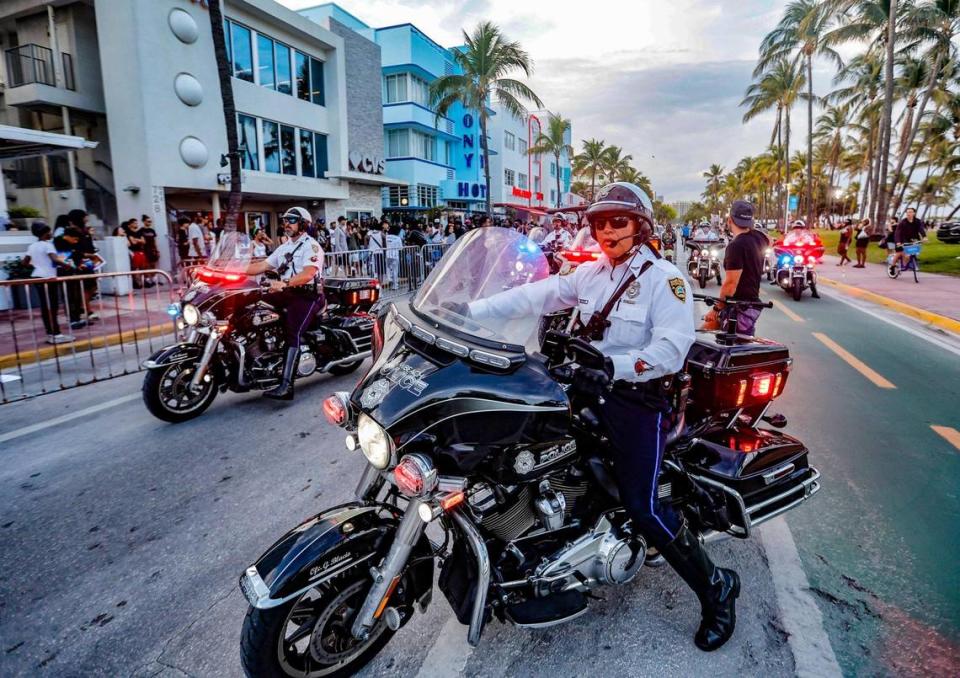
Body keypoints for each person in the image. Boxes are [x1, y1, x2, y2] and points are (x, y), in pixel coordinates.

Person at [467, 182, 739, 651]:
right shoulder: (590, 274)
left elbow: (673, 350)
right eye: (599, 223)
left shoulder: (665, 279)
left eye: (618, 221)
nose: (606, 230)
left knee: (644, 504)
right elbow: (537, 295)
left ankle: (717, 588)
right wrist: (470, 311)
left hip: (638, 399)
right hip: (586, 387)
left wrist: (614, 366)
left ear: (641, 226)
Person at [244, 207, 324, 400]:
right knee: (251, 306)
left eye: (292, 220)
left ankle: (286, 385)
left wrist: (285, 282)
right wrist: (231, 270)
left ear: (303, 224)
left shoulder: (311, 246)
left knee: (293, 330)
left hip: (307, 295)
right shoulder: (285, 247)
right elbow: (262, 266)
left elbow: (308, 274)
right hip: (286, 292)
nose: (286, 223)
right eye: (285, 220)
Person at [703, 200, 768, 336]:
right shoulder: (759, 238)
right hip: (751, 305)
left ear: (729, 220)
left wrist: (716, 310)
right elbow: (770, 240)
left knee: (707, 340)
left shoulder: (735, 246)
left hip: (739, 309)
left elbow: (730, 285)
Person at [24, 222, 75, 344]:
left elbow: (25, 262)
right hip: (48, 277)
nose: (51, 233)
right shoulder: (48, 245)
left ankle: (50, 333)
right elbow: (54, 259)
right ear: (46, 233)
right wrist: (68, 265)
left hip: (37, 276)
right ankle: (56, 334)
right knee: (52, 306)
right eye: (50, 231)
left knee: (45, 307)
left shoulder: (32, 246)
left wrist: (37, 265)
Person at [141, 215, 160, 284]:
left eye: (150, 221)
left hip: (152, 249)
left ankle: (154, 279)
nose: (149, 223)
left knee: (153, 264)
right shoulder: (141, 230)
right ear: (144, 222)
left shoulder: (152, 230)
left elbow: (154, 240)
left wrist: (156, 249)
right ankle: (147, 279)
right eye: (148, 221)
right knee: (146, 265)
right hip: (145, 249)